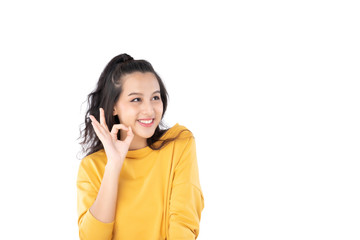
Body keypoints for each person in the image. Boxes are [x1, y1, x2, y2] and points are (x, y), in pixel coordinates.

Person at [76, 53, 205, 240]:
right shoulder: (92, 166)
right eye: (136, 99)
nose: (150, 110)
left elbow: (183, 224)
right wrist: (114, 164)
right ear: (114, 107)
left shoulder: (180, 144)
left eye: (155, 97)